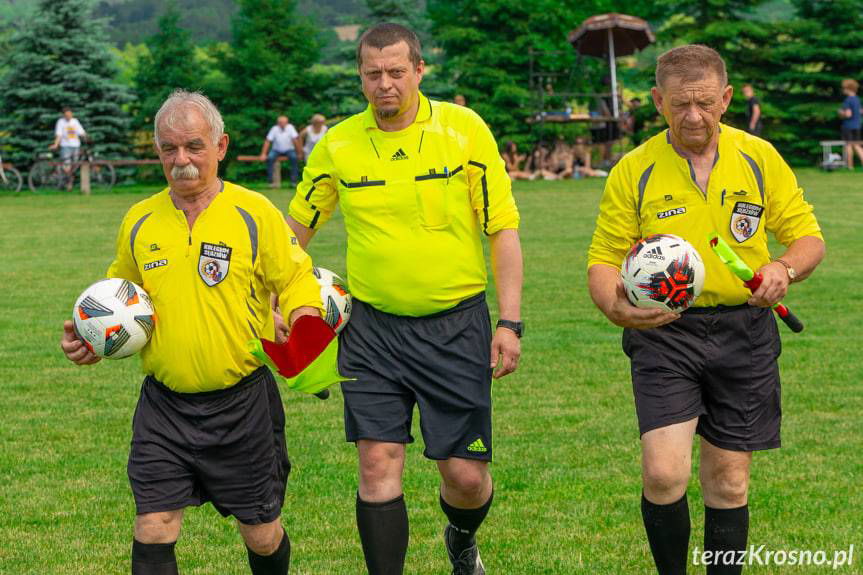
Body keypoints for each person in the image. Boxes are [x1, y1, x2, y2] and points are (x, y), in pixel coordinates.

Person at [286, 23, 523, 575]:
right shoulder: (338, 145)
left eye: (397, 72)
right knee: (377, 464)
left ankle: (462, 537)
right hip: (371, 331)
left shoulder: (464, 131)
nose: (385, 84)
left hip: (456, 326)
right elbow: (293, 232)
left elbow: (502, 230)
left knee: (464, 478)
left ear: (420, 70)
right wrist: (280, 300)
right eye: (373, 74)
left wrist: (509, 322)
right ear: (360, 77)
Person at [60, 90, 325, 575]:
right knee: (154, 526)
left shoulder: (254, 213)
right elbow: (119, 297)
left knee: (262, 535)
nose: (181, 160)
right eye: (168, 149)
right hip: (165, 407)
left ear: (221, 146)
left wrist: (304, 323)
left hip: (241, 404)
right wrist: (90, 337)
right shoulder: (139, 219)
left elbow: (295, 278)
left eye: (194, 146)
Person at [587, 45, 824, 575]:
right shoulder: (634, 169)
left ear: (725, 98)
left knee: (729, 480)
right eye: (679, 105)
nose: (693, 117)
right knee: (664, 474)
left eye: (703, 104)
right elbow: (604, 259)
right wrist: (615, 308)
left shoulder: (759, 157)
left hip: (746, 331)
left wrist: (784, 269)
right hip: (665, 333)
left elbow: (807, 236)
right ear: (657, 102)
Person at [50, 107, 87, 191]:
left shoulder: (75, 121)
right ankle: (67, 182)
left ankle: (70, 184)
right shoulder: (60, 122)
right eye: (66, 115)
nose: (68, 116)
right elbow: (59, 135)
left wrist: (86, 137)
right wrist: (56, 144)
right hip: (65, 146)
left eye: (70, 114)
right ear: (64, 115)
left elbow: (81, 132)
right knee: (67, 166)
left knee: (74, 166)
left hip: (76, 146)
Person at [259, 115, 302, 185]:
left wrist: (299, 153)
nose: (282, 124)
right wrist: (263, 154)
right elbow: (268, 141)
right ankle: (270, 182)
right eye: (280, 122)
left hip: (289, 149)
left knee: (294, 158)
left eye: (284, 122)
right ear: (278, 123)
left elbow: (295, 141)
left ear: (287, 122)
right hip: (276, 150)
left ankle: (294, 182)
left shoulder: (290, 128)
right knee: (270, 158)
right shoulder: (274, 128)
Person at [838, 78, 863, 169]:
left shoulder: (848, 100)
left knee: (848, 145)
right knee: (857, 145)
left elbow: (848, 114)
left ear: (848, 88)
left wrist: (841, 113)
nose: (843, 90)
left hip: (848, 126)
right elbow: (860, 111)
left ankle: (850, 166)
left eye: (844, 88)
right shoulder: (857, 99)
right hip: (857, 125)